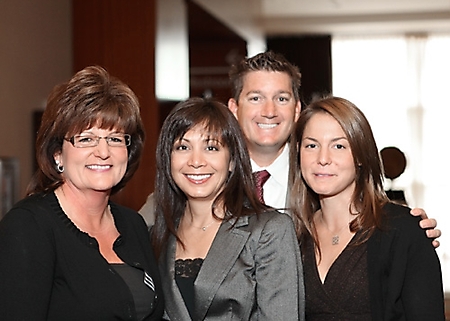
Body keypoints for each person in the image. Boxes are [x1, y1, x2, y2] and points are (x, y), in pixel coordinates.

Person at [140, 51, 441, 247]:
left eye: (281, 99)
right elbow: (129, 234)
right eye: (256, 98)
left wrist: (411, 232)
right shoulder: (199, 178)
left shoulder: (323, 179)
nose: (269, 111)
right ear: (234, 108)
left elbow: (372, 224)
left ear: (297, 109)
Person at [0, 66, 164, 320]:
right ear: (57, 154)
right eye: (86, 139)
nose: (103, 151)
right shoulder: (28, 227)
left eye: (115, 139)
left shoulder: (134, 225)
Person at [289, 96, 444, 320]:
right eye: (311, 145)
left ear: (361, 155)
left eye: (339, 146)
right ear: (298, 152)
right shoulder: (293, 236)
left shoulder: (403, 230)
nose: (323, 158)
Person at [151, 97, 304, 320]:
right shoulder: (154, 235)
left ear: (232, 160)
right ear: (168, 159)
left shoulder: (270, 230)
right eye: (183, 147)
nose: (196, 161)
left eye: (211, 147)